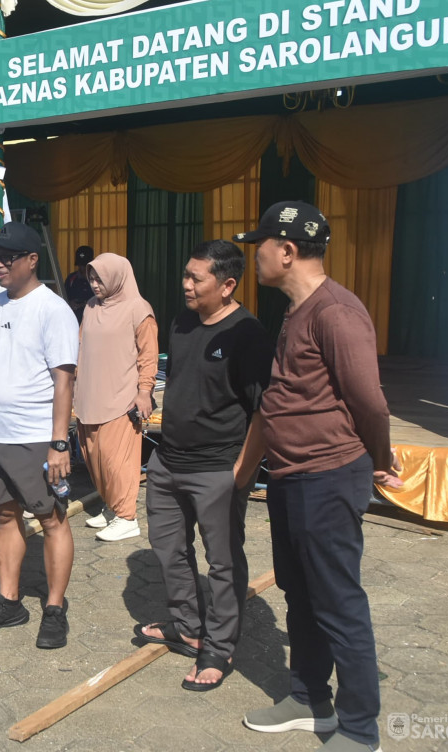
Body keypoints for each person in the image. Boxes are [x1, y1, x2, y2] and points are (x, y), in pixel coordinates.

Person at [234, 202, 401, 752]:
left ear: (286, 251)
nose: (253, 252)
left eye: (260, 243)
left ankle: (359, 727)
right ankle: (309, 698)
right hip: (291, 476)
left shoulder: (335, 312)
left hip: (327, 477)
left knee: (337, 601)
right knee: (299, 593)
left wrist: (379, 458)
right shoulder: (296, 310)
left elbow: (369, 402)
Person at [138, 240, 272, 692]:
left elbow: (263, 411)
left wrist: (242, 473)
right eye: (186, 275)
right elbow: (178, 380)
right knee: (168, 549)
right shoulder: (180, 323)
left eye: (197, 278)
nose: (186, 285)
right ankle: (186, 625)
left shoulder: (247, 334)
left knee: (223, 562)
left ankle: (218, 647)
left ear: (228, 284)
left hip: (217, 468)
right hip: (168, 460)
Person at [0, 221, 80, 649]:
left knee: (51, 518)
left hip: (33, 437)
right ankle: (9, 602)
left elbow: (64, 381)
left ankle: (55, 608)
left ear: (32, 260)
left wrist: (59, 442)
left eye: (8, 256)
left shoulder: (53, 310)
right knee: (5, 515)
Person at [73, 252, 157, 542]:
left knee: (116, 460)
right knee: (93, 457)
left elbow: (148, 355)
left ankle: (127, 517)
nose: (95, 284)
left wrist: (144, 391)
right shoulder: (91, 307)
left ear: (117, 277)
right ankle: (112, 508)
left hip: (121, 397)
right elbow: (81, 346)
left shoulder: (137, 308)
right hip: (89, 396)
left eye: (101, 278)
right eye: (92, 278)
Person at [63, 245, 95, 323]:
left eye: (84, 265)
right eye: (80, 265)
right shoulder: (71, 278)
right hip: (74, 320)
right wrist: (70, 303)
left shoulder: (97, 279)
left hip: (93, 321)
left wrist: (85, 304)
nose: (82, 268)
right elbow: (63, 298)